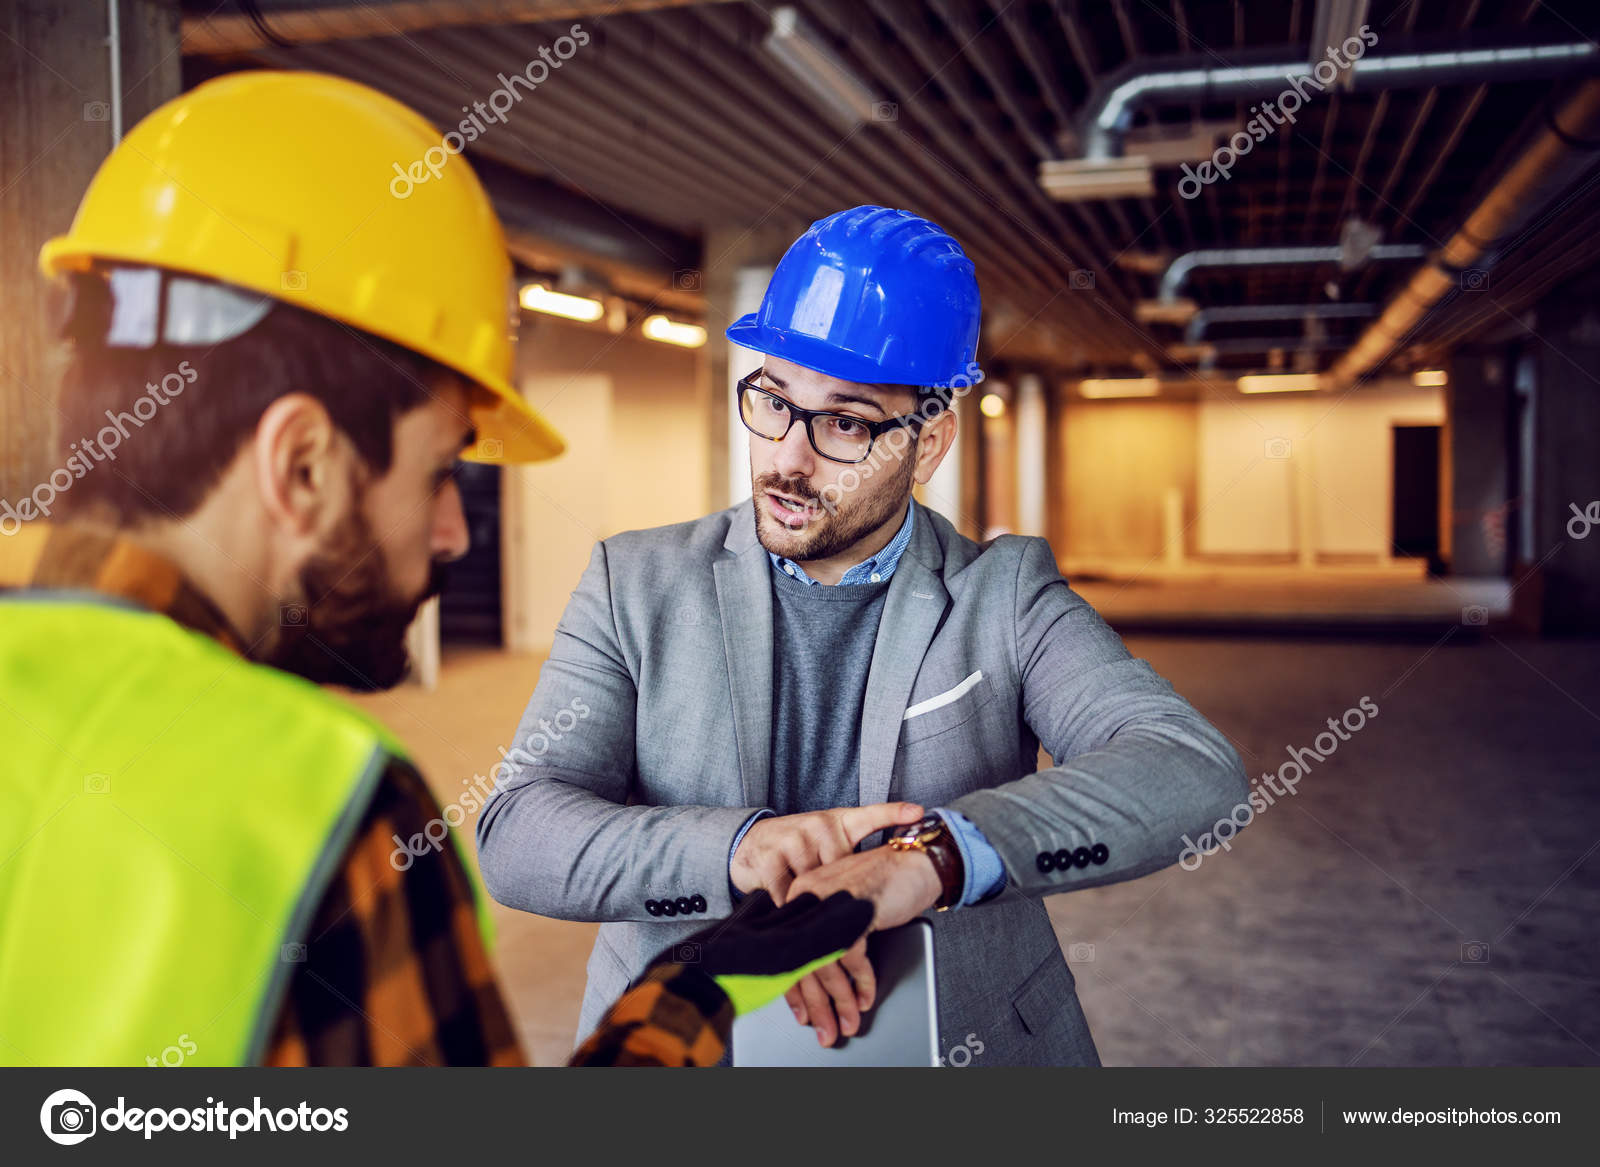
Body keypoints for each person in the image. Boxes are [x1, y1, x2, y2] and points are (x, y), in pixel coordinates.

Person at [0, 71, 867, 1068]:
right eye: (441, 468)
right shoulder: (314, 807)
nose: (456, 531)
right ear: (303, 465)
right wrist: (700, 987)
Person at [477, 205, 1250, 1065]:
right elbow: (519, 832)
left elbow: (1188, 765)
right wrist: (745, 852)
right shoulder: (635, 583)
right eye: (773, 399)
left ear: (929, 444)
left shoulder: (1005, 594)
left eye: (844, 422)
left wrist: (934, 857)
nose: (786, 459)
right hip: (687, 1047)